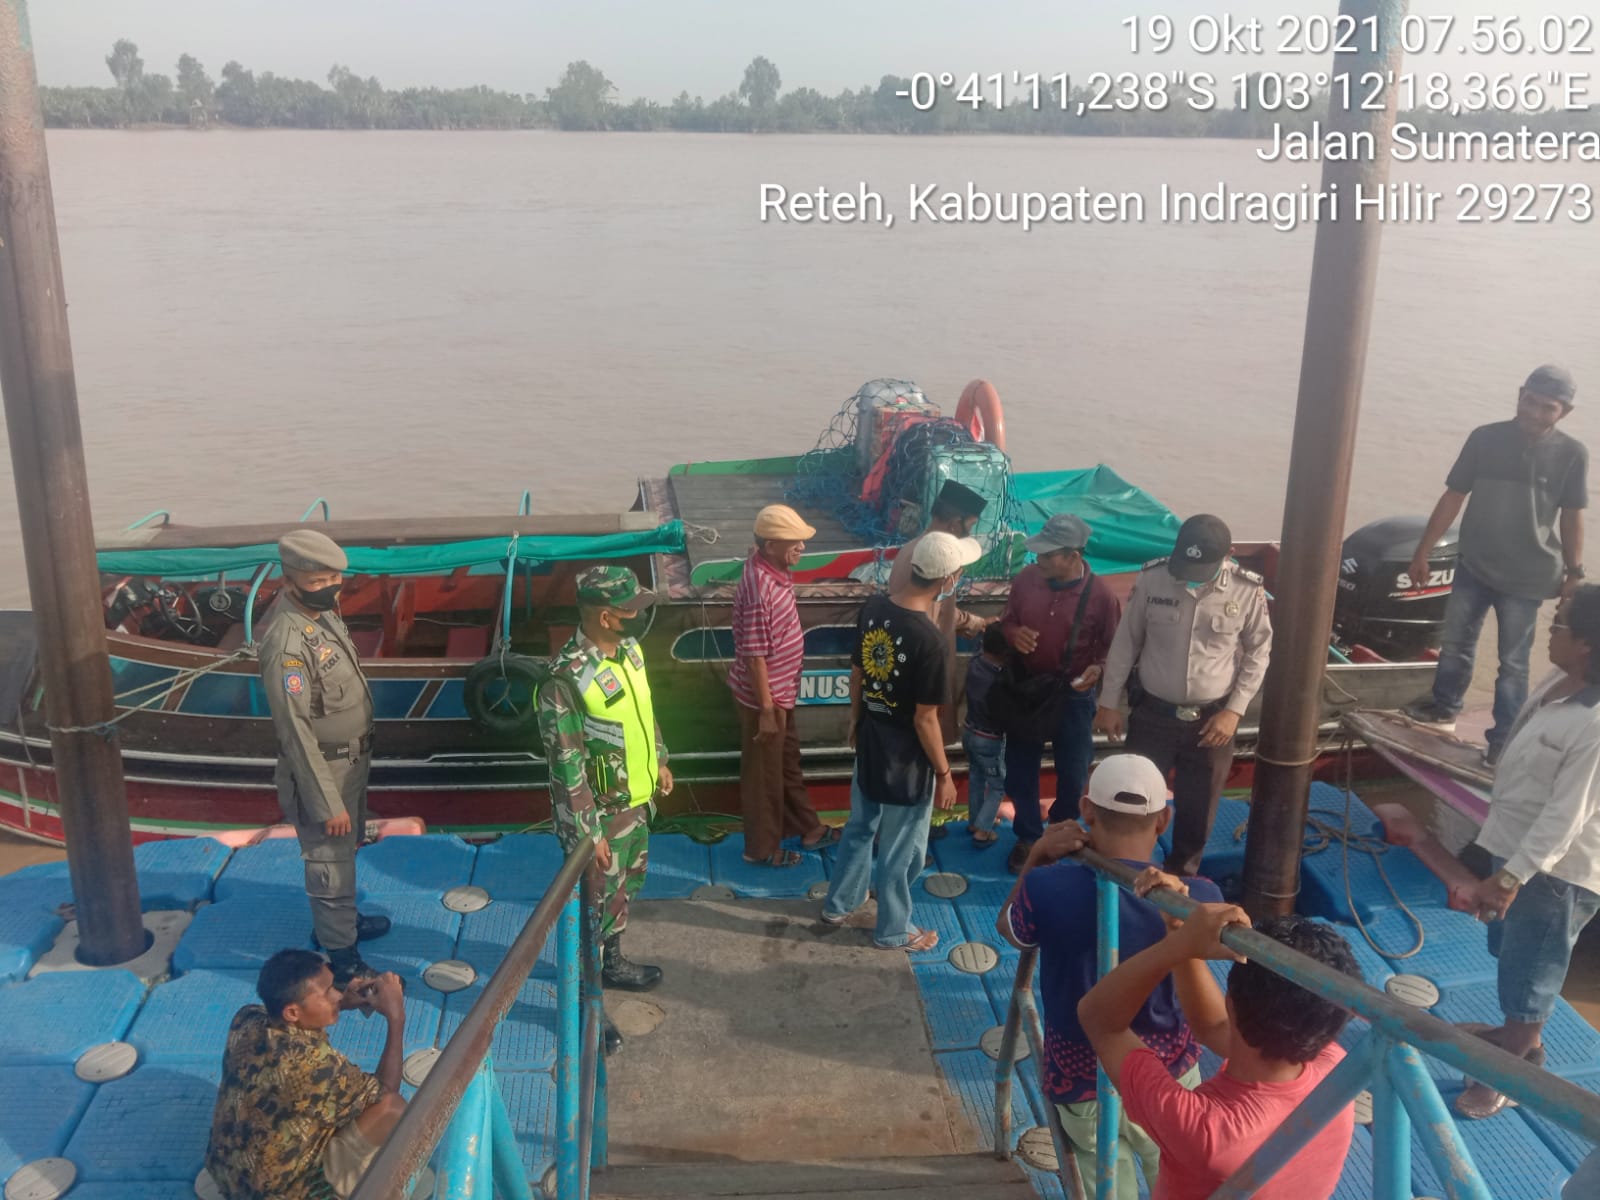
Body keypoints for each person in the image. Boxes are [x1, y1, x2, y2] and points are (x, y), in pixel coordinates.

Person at [995, 754, 1223, 1200]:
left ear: (1086, 811)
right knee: (1179, 1176)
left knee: (1104, 1185)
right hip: (1168, 1077)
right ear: (1163, 820)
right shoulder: (1200, 900)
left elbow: (1011, 931)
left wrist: (1037, 857)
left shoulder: (1047, 887)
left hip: (1082, 1078)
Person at [1079, 899, 1360, 1200]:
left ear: (1231, 1003)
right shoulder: (1337, 1073)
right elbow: (1213, 1026)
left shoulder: (1206, 1131)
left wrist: (1178, 947)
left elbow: (1098, 1020)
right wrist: (1178, 931)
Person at [1449, 583, 1600, 1119]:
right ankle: (1516, 1036)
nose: (1549, 632)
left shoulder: (1596, 719)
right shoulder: (1558, 684)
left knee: (1535, 966)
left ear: (1585, 642)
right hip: (1512, 845)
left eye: (1558, 624)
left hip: (1554, 870)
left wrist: (1511, 879)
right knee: (1511, 952)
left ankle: (1512, 1068)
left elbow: (1566, 816)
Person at [1402, 364, 1586, 767]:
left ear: (1565, 412)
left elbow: (1572, 516)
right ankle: (1443, 706)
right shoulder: (1484, 438)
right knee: (1455, 645)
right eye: (1530, 401)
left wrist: (1575, 573)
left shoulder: (1573, 454)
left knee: (1514, 662)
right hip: (1474, 563)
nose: (1535, 413)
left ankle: (1504, 739)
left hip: (1528, 576)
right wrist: (1424, 551)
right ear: (1519, 394)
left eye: (1548, 408)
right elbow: (1454, 495)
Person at [537, 565, 673, 1053]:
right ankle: (587, 1005)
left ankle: (612, 963)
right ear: (604, 616)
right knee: (589, 915)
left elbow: (645, 709)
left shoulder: (630, 652)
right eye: (631, 609)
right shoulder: (565, 679)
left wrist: (659, 759)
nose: (640, 616)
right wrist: (586, 834)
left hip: (636, 806)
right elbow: (566, 765)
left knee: (623, 892)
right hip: (599, 819)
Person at [822, 531, 979, 950]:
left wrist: (856, 720)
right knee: (903, 847)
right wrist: (944, 773)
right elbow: (925, 719)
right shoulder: (929, 641)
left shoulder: (873, 607)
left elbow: (858, 671)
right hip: (907, 757)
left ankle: (840, 903)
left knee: (858, 826)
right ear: (949, 580)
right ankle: (893, 929)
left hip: (871, 737)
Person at [1095, 515, 1273, 877]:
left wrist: (1235, 711)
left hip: (1212, 719)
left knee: (1198, 805)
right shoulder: (1153, 579)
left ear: (1230, 556)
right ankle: (1129, 869)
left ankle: (1182, 875)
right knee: (1135, 794)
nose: (1191, 573)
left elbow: (1259, 651)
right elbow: (1126, 642)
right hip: (1153, 714)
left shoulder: (1246, 590)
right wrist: (1108, 702)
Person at [257, 529, 387, 989]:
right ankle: (343, 958)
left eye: (336, 577)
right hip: (322, 770)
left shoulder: (322, 614)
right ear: (290, 580)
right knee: (328, 859)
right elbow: (295, 733)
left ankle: (341, 923)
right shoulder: (286, 644)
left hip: (350, 762)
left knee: (345, 850)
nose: (332, 587)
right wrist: (325, 801)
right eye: (319, 580)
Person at [205, 948, 408, 1200]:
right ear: (292, 1012)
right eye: (328, 993)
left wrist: (343, 1002)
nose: (336, 995)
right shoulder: (316, 1067)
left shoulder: (247, 1018)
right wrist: (396, 1017)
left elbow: (292, 1017)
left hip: (228, 1174)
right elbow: (386, 1090)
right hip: (281, 1193)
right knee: (392, 1109)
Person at [999, 512, 1123, 873]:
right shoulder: (1025, 581)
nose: (1039, 560)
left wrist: (1097, 669)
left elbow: (1111, 649)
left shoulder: (1101, 597)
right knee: (1020, 769)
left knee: (1073, 772)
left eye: (1048, 554)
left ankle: (1061, 829)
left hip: (1072, 698)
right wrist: (1013, 635)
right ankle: (1026, 835)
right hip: (1028, 692)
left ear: (1073, 556)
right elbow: (1007, 621)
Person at [728, 504, 835, 867]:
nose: (802, 547)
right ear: (770, 544)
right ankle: (761, 850)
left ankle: (806, 826)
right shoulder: (761, 589)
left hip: (782, 693)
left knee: (787, 763)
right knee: (763, 778)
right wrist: (768, 712)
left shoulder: (769, 568)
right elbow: (755, 655)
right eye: (794, 541)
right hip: (766, 699)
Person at [962, 623, 1010, 845]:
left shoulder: (975, 663)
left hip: (970, 730)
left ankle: (975, 820)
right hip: (989, 738)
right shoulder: (999, 679)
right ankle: (983, 830)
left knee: (976, 776)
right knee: (998, 784)